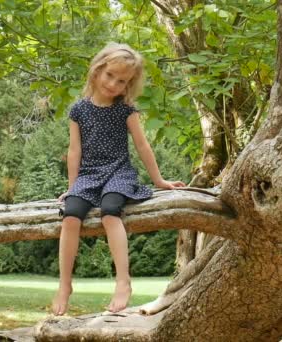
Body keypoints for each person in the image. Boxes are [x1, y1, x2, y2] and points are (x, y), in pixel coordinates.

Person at [52, 43, 186, 316]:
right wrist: (72, 187)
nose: (113, 84)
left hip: (118, 173)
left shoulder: (126, 110)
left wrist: (159, 181)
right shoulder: (78, 110)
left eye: (122, 80)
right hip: (89, 176)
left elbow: (142, 146)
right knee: (70, 216)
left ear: (129, 84)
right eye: (110, 75)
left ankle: (123, 281)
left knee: (111, 211)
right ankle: (64, 284)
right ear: (98, 70)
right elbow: (74, 150)